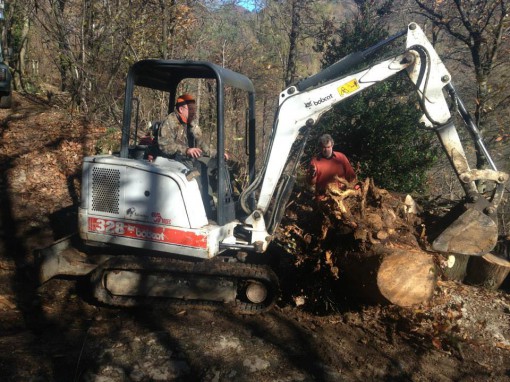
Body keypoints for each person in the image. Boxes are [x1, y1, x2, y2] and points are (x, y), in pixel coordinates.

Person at [157, 93, 210, 163]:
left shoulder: (191, 124)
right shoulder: (169, 122)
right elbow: (165, 145)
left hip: (185, 162)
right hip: (168, 162)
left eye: (194, 109)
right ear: (181, 109)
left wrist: (217, 154)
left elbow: (202, 142)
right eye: (190, 109)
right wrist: (186, 150)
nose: (193, 112)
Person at [308, 134, 356, 198]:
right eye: (323, 147)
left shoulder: (341, 157)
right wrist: (312, 175)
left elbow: (351, 176)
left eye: (328, 147)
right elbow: (310, 183)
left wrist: (353, 189)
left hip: (342, 195)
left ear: (332, 145)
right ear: (320, 147)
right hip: (323, 197)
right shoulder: (315, 161)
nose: (326, 150)